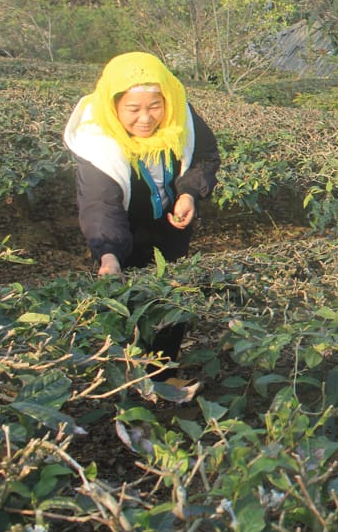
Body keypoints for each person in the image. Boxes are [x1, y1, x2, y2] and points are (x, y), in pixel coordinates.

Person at [63, 51, 220, 366]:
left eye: (155, 106)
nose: (146, 119)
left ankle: (161, 373)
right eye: (133, 109)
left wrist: (188, 194)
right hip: (126, 231)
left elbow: (204, 155)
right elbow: (100, 205)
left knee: (172, 297)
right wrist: (108, 253)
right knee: (129, 305)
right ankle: (128, 377)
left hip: (171, 227)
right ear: (114, 106)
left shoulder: (181, 115)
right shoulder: (98, 142)